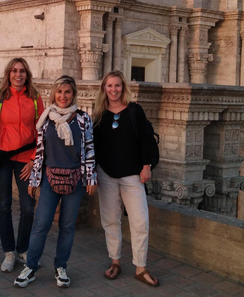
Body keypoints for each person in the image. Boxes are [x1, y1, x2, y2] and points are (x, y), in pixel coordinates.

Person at [14, 75, 97, 289]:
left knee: (67, 226)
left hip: (75, 180)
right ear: (53, 94)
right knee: (41, 224)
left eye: (67, 92)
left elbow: (88, 149)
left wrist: (90, 177)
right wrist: (34, 181)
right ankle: (31, 266)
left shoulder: (83, 119)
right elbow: (40, 153)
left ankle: (61, 267)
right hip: (50, 180)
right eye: (59, 92)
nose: (63, 96)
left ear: (73, 94)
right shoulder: (46, 118)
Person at [92, 70, 159, 287]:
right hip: (107, 175)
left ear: (123, 88)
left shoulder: (134, 110)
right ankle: (115, 261)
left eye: (117, 86)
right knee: (110, 220)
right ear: (104, 88)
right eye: (109, 86)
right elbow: (94, 145)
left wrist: (147, 165)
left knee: (140, 221)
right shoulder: (100, 113)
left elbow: (146, 140)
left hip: (132, 176)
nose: (113, 90)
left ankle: (140, 267)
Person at [0, 58, 44, 273]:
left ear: (27, 74)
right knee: (4, 205)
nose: (18, 75)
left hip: (26, 158)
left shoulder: (35, 99)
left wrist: (33, 159)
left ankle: (23, 248)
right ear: (8, 74)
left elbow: (41, 132)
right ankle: (9, 251)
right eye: (14, 71)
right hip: (2, 157)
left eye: (22, 71)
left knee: (28, 207)